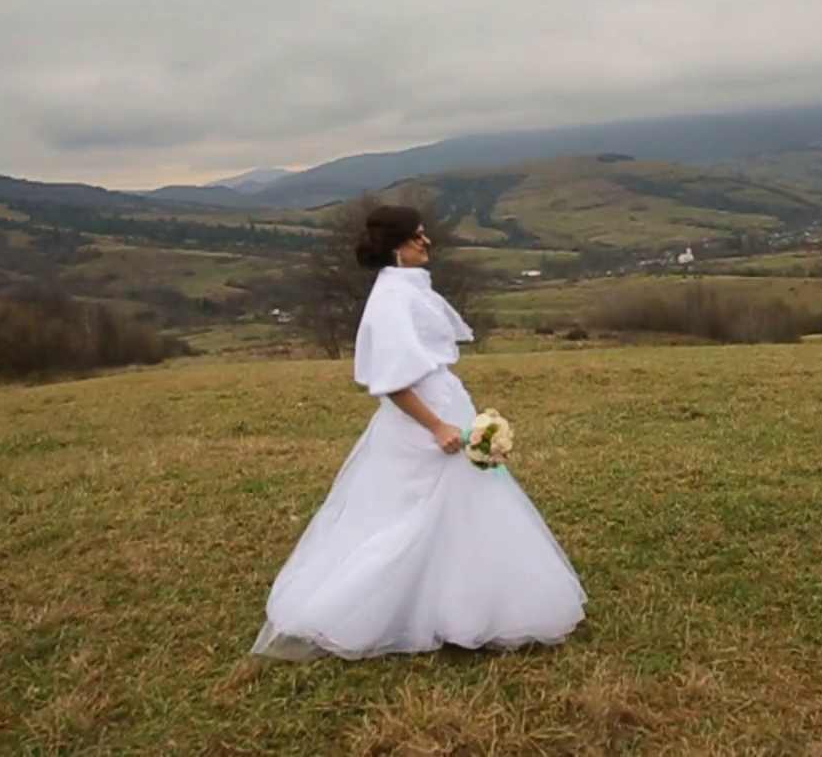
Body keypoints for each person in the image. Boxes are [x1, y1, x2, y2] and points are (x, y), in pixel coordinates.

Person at [250, 205, 587, 660]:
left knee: (463, 509)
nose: (426, 242)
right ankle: (380, 609)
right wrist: (438, 426)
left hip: (445, 405)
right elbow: (391, 383)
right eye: (416, 236)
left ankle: (463, 605)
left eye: (424, 234)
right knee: (411, 515)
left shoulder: (408, 288)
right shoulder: (391, 298)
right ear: (395, 247)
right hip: (424, 422)